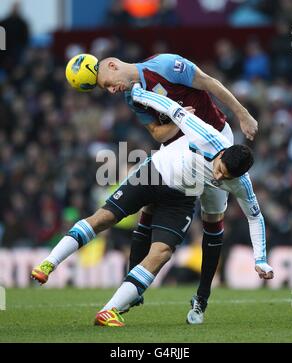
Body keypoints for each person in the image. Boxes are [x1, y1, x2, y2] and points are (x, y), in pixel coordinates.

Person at [31, 87, 273, 327]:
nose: (219, 177)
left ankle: (109, 311)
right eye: (220, 169)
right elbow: (172, 108)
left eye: (226, 177)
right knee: (104, 218)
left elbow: (255, 217)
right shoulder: (206, 135)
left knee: (162, 253)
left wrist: (260, 259)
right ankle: (49, 263)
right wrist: (137, 93)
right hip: (154, 173)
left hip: (181, 198)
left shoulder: (241, 183)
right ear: (222, 154)